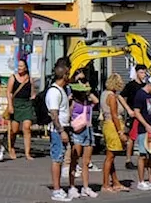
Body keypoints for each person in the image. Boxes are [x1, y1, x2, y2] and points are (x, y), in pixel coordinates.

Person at [129, 74, 151, 191]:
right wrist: (146, 125)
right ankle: (141, 180)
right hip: (144, 129)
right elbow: (136, 112)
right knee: (143, 155)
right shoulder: (140, 95)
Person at [68, 75, 99, 198]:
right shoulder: (73, 102)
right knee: (75, 159)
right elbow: (68, 115)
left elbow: (96, 101)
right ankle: (72, 186)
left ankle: (85, 187)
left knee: (86, 162)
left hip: (88, 130)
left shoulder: (87, 101)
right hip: (77, 131)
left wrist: (88, 90)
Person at [46, 64, 73, 202]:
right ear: (64, 75)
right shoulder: (54, 92)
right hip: (57, 130)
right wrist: (61, 131)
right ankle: (56, 190)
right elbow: (54, 115)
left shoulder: (61, 90)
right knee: (57, 158)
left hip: (63, 128)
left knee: (60, 158)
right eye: (68, 74)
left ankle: (59, 189)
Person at [100, 73, 129, 192]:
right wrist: (120, 132)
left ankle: (115, 181)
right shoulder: (111, 96)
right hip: (112, 126)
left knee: (112, 156)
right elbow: (114, 115)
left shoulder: (104, 94)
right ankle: (105, 184)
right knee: (110, 156)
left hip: (108, 125)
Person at [7, 57, 35, 159]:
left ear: (26, 68)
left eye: (21, 66)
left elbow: (32, 93)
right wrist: (10, 105)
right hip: (16, 104)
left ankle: (27, 153)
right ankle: (12, 147)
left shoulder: (29, 79)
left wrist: (33, 100)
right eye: (18, 66)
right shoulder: (13, 78)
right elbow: (9, 92)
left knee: (27, 128)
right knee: (14, 130)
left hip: (27, 104)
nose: (19, 68)